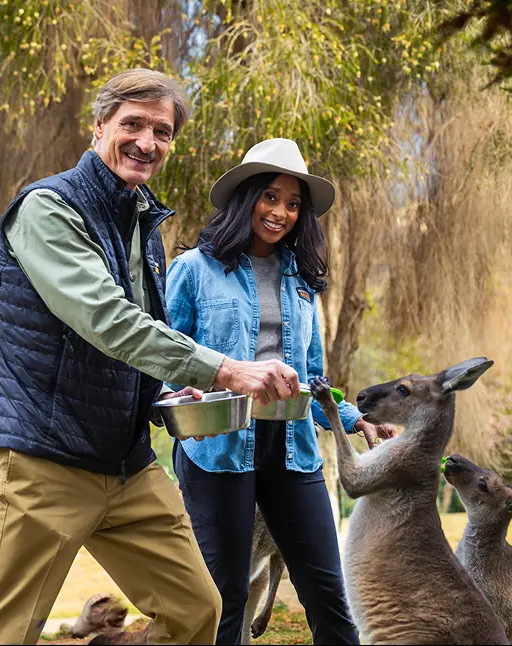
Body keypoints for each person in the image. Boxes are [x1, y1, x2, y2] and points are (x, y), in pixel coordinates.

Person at [0, 70, 302, 646]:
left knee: (196, 612)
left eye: (161, 131)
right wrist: (226, 369)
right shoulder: (47, 208)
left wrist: (165, 395)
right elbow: (107, 322)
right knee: (1, 632)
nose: (147, 141)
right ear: (99, 126)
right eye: (132, 124)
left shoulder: (142, 222)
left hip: (125, 464)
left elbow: (139, 341)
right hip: (45, 459)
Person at [165, 138, 398, 645]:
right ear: (247, 197)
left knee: (329, 592)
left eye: (293, 204)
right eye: (271, 197)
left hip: (293, 450)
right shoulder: (193, 271)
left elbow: (313, 382)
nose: (282, 213)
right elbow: (164, 361)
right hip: (216, 447)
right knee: (223, 598)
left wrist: (356, 419)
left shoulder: (301, 283)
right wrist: (186, 394)